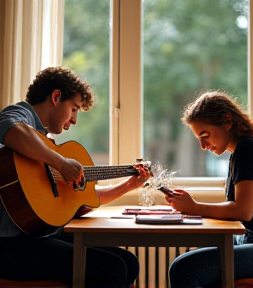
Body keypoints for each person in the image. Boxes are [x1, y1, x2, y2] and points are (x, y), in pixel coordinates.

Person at [0, 66, 151, 288]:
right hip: (10, 246)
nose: (74, 120)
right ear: (56, 96)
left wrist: (129, 185)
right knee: (113, 268)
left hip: (37, 237)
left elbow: (82, 197)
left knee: (128, 261)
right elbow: (7, 126)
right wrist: (60, 162)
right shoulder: (21, 115)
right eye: (74, 109)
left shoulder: (43, 144)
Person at [167, 91, 253, 288]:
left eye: (205, 135)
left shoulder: (249, 149)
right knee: (195, 258)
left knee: (184, 267)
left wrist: (194, 207)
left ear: (228, 122)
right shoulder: (243, 150)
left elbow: (243, 211)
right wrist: (191, 207)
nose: (203, 145)